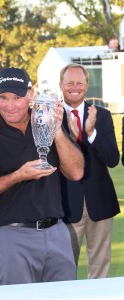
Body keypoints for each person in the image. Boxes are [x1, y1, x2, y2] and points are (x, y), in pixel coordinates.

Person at [0, 67, 84, 285]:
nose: (9, 105)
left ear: (31, 94)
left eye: (17, 97)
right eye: (3, 97)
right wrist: (18, 176)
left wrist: (57, 132)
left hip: (57, 233)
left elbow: (76, 172)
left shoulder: (46, 120)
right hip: (11, 237)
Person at [59, 63, 120, 279]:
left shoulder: (101, 116)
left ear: (86, 86)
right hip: (64, 205)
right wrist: (73, 138)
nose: (75, 87)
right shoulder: (50, 116)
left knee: (100, 270)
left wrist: (90, 133)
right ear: (61, 85)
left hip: (100, 203)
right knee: (64, 269)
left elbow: (113, 159)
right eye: (70, 83)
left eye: (80, 82)